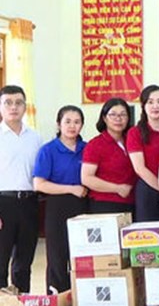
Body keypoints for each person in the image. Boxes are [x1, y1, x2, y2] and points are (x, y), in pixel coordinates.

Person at [33, 106, 88, 292]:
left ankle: (83, 304)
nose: (72, 126)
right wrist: (71, 189)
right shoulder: (48, 150)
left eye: (77, 122)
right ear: (58, 124)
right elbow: (39, 184)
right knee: (57, 256)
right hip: (57, 206)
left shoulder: (86, 149)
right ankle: (58, 304)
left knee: (81, 257)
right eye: (67, 121)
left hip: (83, 206)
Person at [0, 85, 42, 292]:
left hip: (28, 203)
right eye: (8, 102)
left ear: (25, 107)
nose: (13, 107)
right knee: (1, 261)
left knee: (24, 262)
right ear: (0, 107)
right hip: (3, 203)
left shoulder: (35, 138)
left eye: (18, 102)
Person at [81, 98, 136, 214]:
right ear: (104, 118)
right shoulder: (95, 144)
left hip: (132, 203)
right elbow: (86, 178)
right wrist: (117, 188)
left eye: (123, 115)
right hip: (105, 204)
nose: (118, 119)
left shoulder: (132, 141)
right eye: (113, 115)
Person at [127, 85, 159, 221]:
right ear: (143, 105)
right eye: (150, 102)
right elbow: (139, 168)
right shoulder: (135, 133)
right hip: (149, 190)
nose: (155, 106)